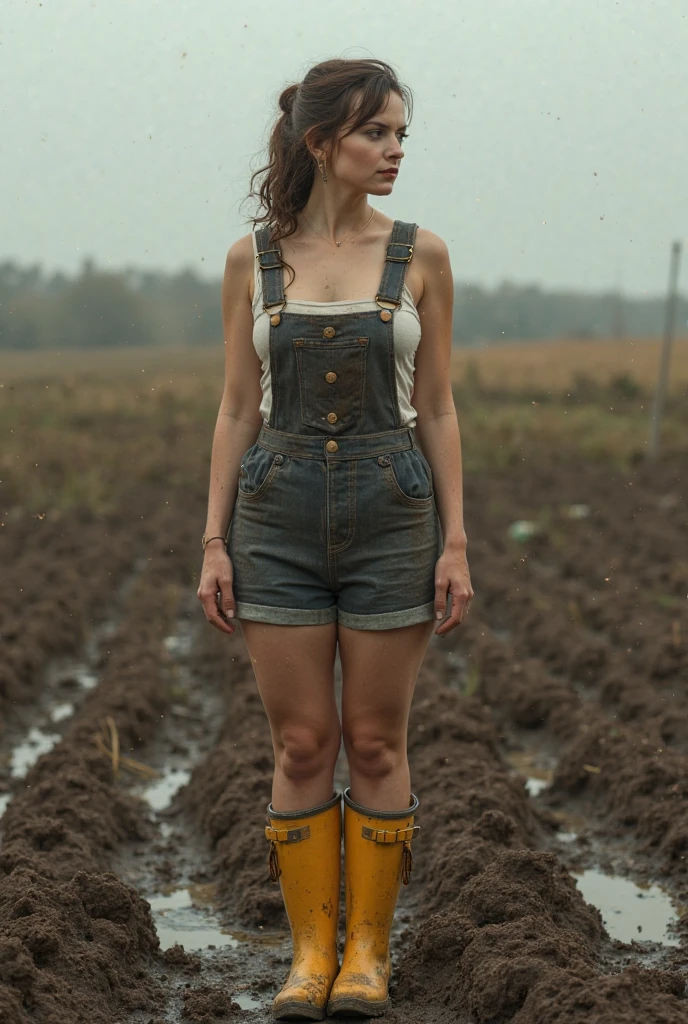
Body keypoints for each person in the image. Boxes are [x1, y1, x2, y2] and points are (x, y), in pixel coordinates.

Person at [197, 57, 473, 1021]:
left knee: (375, 740)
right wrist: (213, 542)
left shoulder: (422, 256)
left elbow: (435, 407)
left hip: (393, 509)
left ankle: (368, 957)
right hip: (274, 514)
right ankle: (309, 957)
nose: (396, 151)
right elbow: (237, 408)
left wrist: (456, 543)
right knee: (303, 740)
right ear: (324, 143)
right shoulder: (253, 261)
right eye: (378, 134)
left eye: (402, 135)